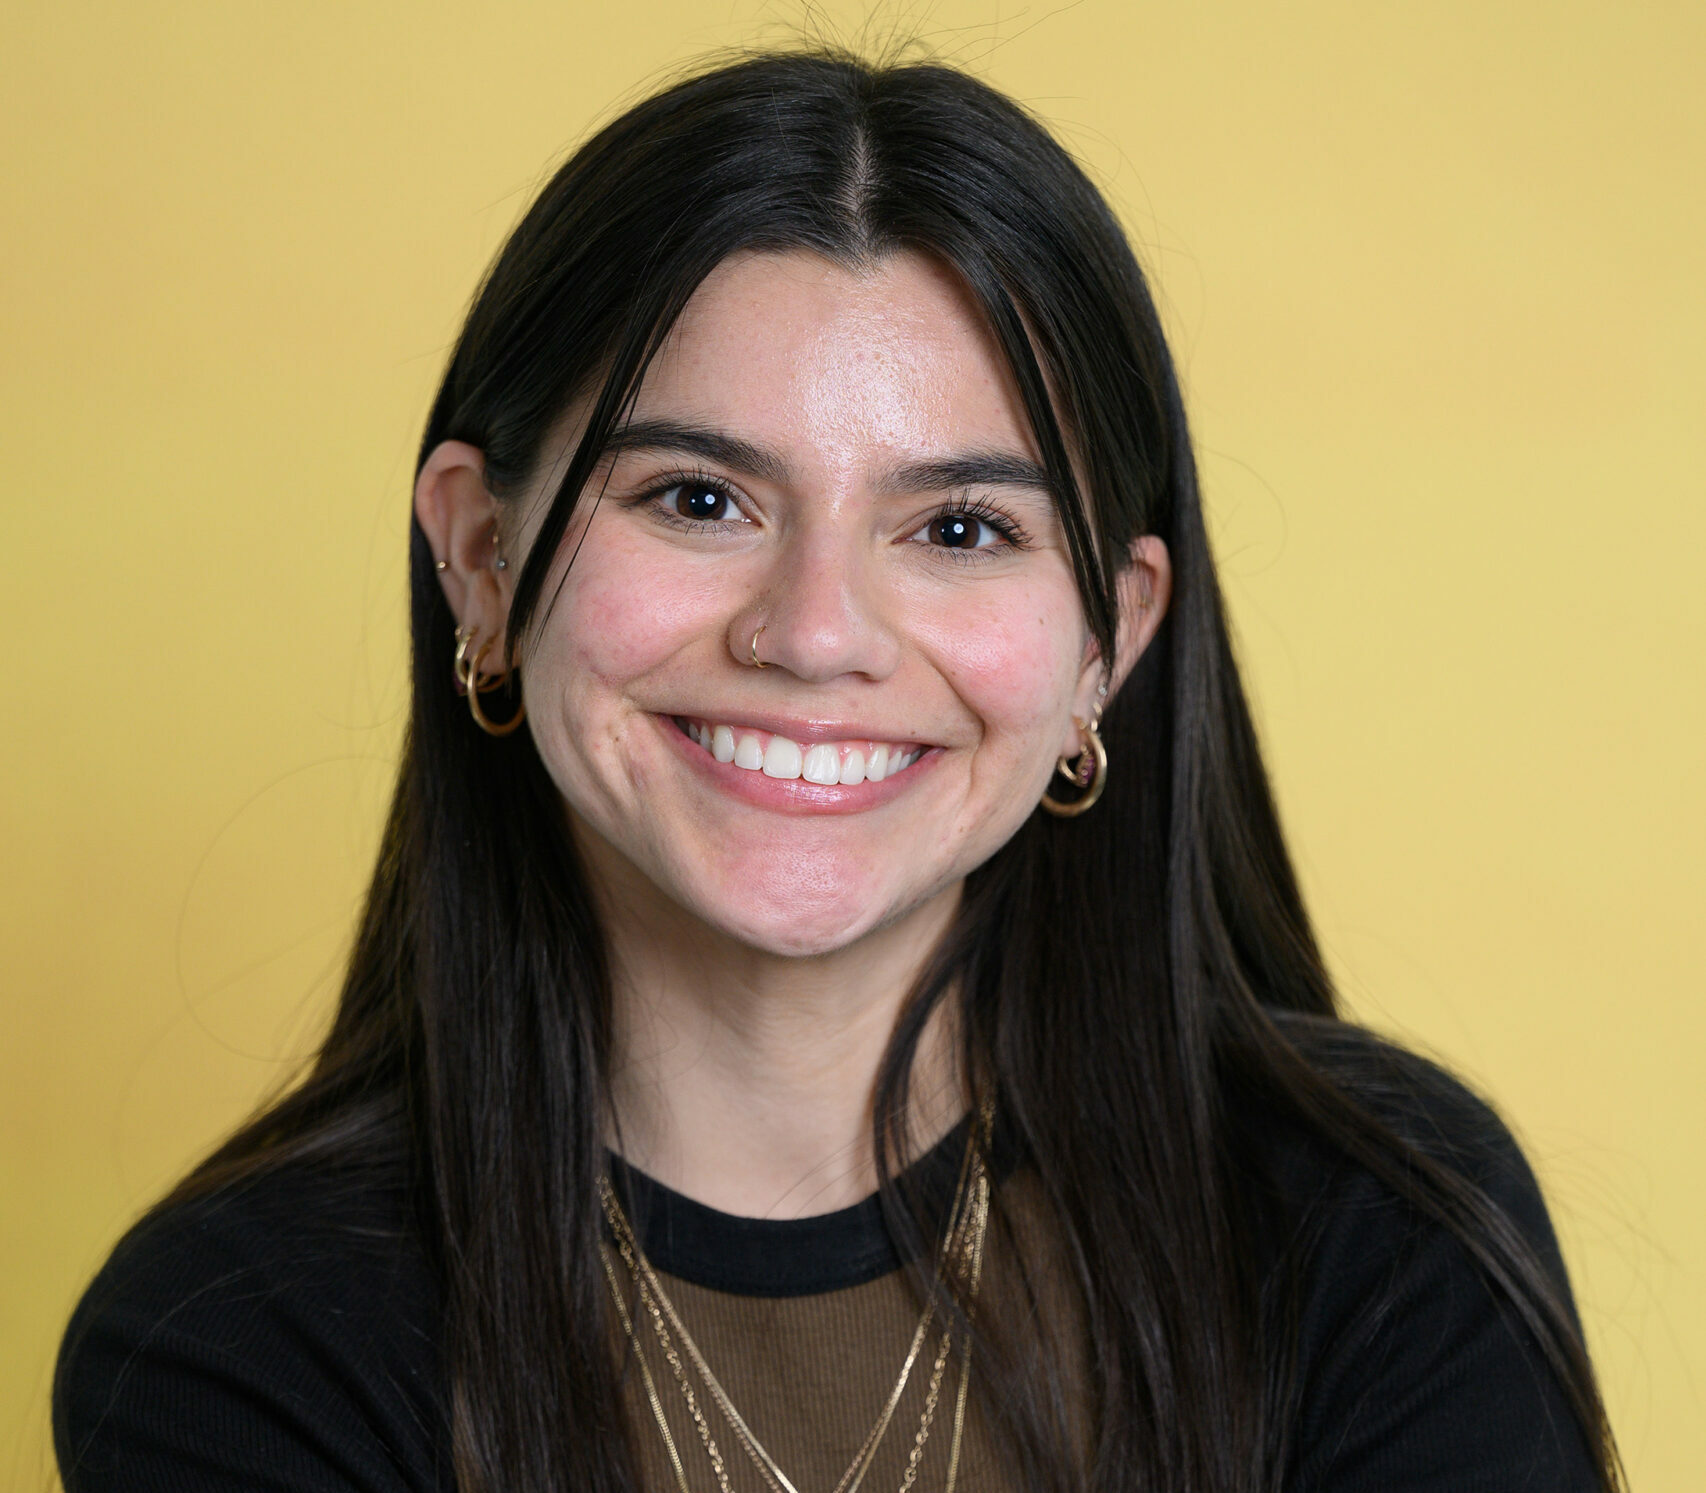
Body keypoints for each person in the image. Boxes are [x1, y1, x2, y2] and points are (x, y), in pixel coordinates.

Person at [53, 47, 1623, 1493]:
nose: (814, 635)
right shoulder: (236, 1336)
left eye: (957, 530)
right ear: (480, 555)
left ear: (1110, 641)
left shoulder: (1378, 1232)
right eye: (695, 498)